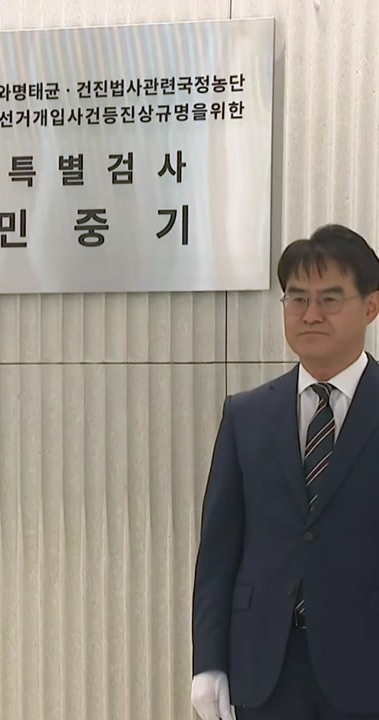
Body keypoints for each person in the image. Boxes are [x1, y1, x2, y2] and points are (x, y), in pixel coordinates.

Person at [192, 224, 379, 720]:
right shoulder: (246, 415)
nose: (310, 314)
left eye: (329, 299)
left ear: (371, 307)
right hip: (265, 669)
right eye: (297, 299)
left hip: (368, 665)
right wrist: (208, 663)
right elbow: (218, 554)